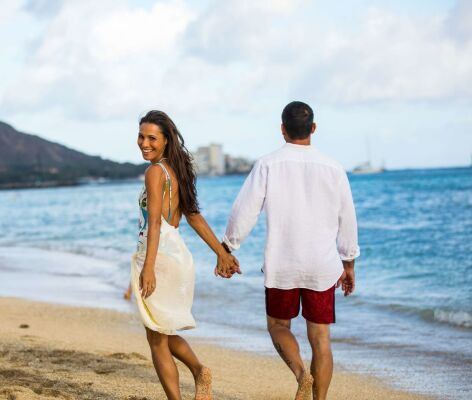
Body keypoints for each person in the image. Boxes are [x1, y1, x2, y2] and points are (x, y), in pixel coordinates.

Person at [219, 101, 359, 400]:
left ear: (282, 130)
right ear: (314, 128)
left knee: (278, 326)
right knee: (321, 338)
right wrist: (348, 262)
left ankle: (300, 375)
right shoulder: (334, 168)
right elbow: (347, 218)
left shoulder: (268, 164)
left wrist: (228, 247)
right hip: (322, 265)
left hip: (282, 263)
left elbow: (245, 210)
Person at [130, 110, 239, 400]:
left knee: (156, 339)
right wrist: (221, 253)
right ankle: (199, 371)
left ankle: (196, 374)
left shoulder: (154, 172)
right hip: (175, 255)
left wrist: (148, 267)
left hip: (161, 257)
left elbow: (154, 222)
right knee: (160, 333)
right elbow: (193, 216)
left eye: (152, 137)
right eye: (141, 136)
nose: (144, 143)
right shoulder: (175, 171)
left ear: (166, 141)